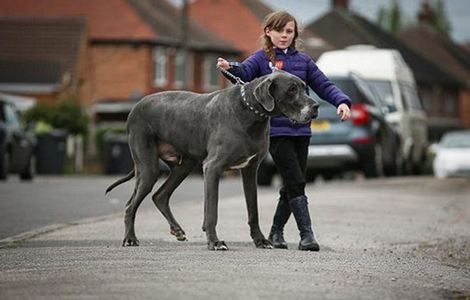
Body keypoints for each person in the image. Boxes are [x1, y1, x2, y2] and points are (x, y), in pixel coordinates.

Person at [216, 10, 351, 251]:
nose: (284, 36)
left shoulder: (304, 62)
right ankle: (306, 235)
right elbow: (244, 73)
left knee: (294, 182)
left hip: (302, 132)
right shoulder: (260, 60)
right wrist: (231, 66)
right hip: (276, 132)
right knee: (296, 180)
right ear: (268, 32)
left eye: (289, 31)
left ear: (295, 34)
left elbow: (324, 85)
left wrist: (341, 101)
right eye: (279, 31)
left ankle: (276, 232)